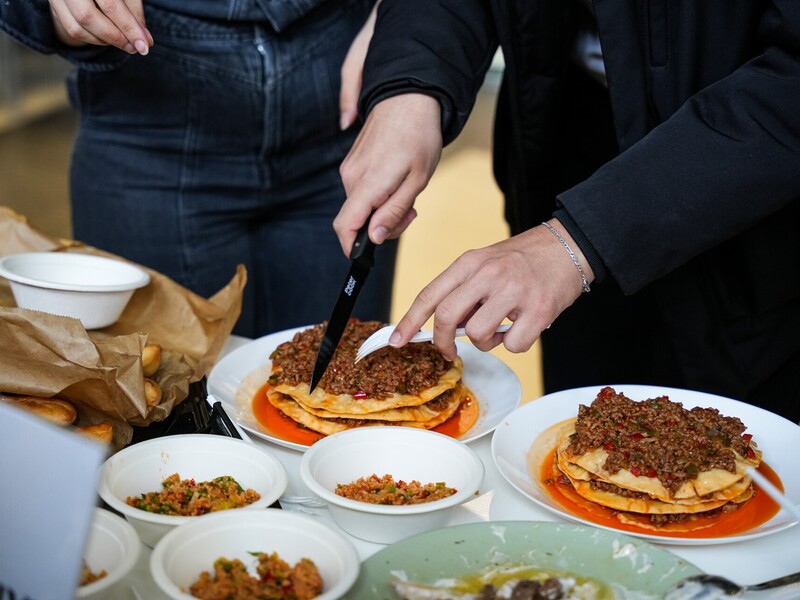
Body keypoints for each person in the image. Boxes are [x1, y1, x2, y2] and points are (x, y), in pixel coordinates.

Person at [332, 0, 800, 423]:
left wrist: (582, 237)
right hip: (563, 130)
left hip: (751, 196)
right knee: (581, 427)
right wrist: (411, 86)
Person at [0, 0, 398, 338]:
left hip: (344, 92)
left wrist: (403, 24)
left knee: (349, 386)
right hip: (144, 105)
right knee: (160, 391)